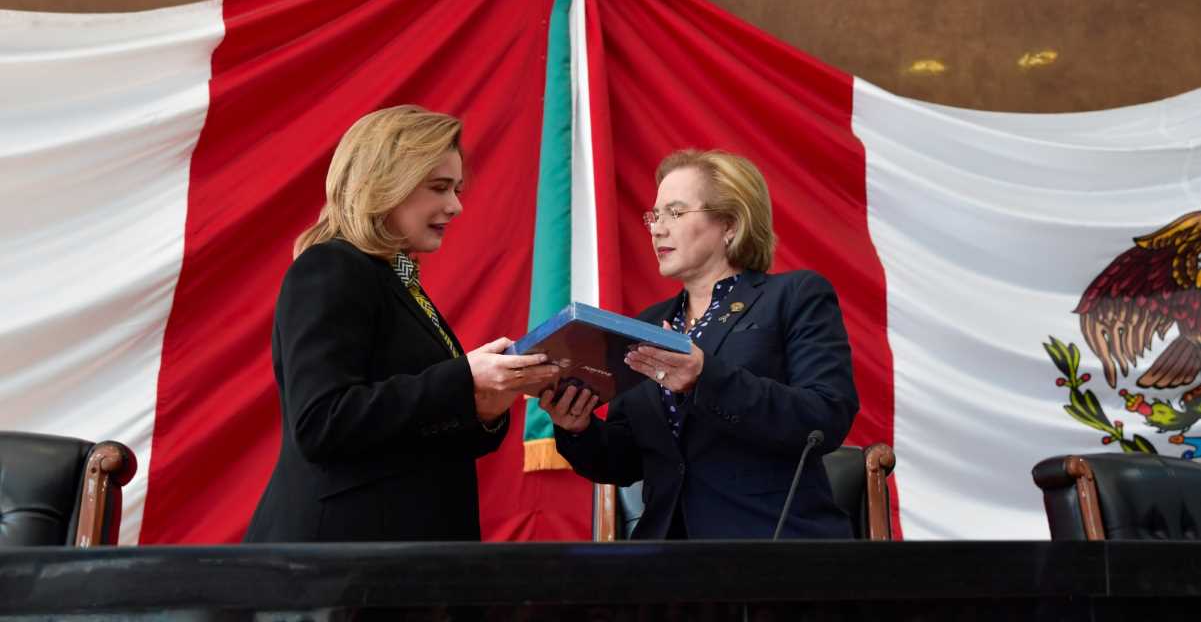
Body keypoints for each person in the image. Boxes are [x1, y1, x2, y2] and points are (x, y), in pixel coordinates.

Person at [244, 105, 558, 542]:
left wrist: (485, 405)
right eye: (439, 187)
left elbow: (411, 433)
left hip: (398, 554)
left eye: (456, 189)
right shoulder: (331, 267)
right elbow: (321, 423)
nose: (456, 206)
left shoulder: (393, 277)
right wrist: (462, 379)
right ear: (383, 184)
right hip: (337, 559)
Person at [540, 149, 859, 539]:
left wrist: (706, 378)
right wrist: (578, 428)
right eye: (655, 216)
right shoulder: (646, 325)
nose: (657, 229)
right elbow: (625, 462)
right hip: (667, 555)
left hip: (768, 542)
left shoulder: (794, 296)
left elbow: (825, 416)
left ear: (730, 224)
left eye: (675, 213)